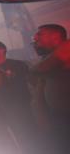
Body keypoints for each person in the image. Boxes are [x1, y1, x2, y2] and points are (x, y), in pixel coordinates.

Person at [0, 40, 36, 151]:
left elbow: (33, 83)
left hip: (24, 110)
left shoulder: (18, 64)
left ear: (2, 50)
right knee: (15, 144)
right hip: (3, 113)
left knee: (33, 140)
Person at [32, 24, 70, 154]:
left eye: (40, 34)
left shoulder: (67, 47)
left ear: (55, 36)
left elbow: (40, 69)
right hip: (57, 122)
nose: (35, 37)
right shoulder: (49, 56)